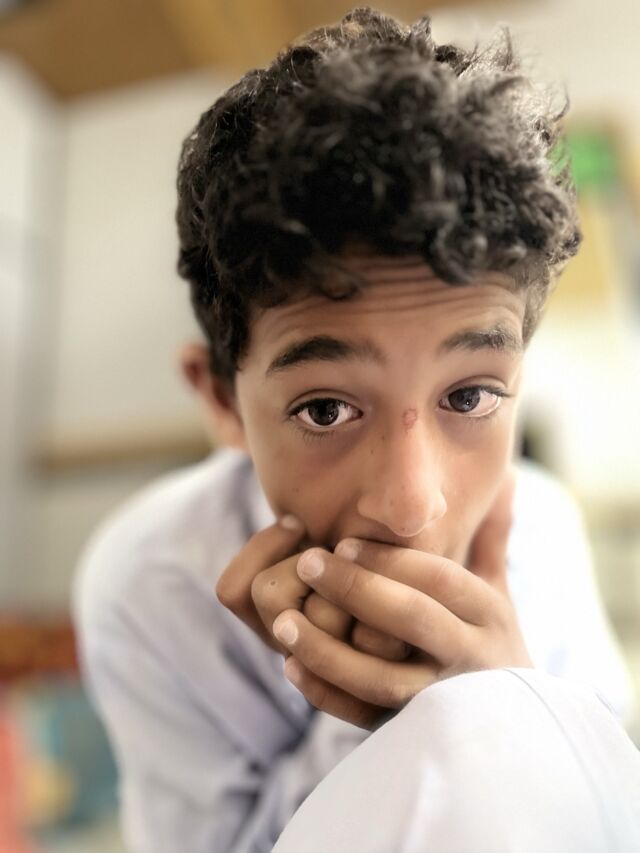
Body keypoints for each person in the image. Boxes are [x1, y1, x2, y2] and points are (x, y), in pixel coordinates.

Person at [72, 7, 639, 852]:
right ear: (222, 400)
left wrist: (507, 701)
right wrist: (390, 715)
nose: (411, 506)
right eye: (326, 409)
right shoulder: (150, 581)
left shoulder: (547, 536)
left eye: (471, 395)